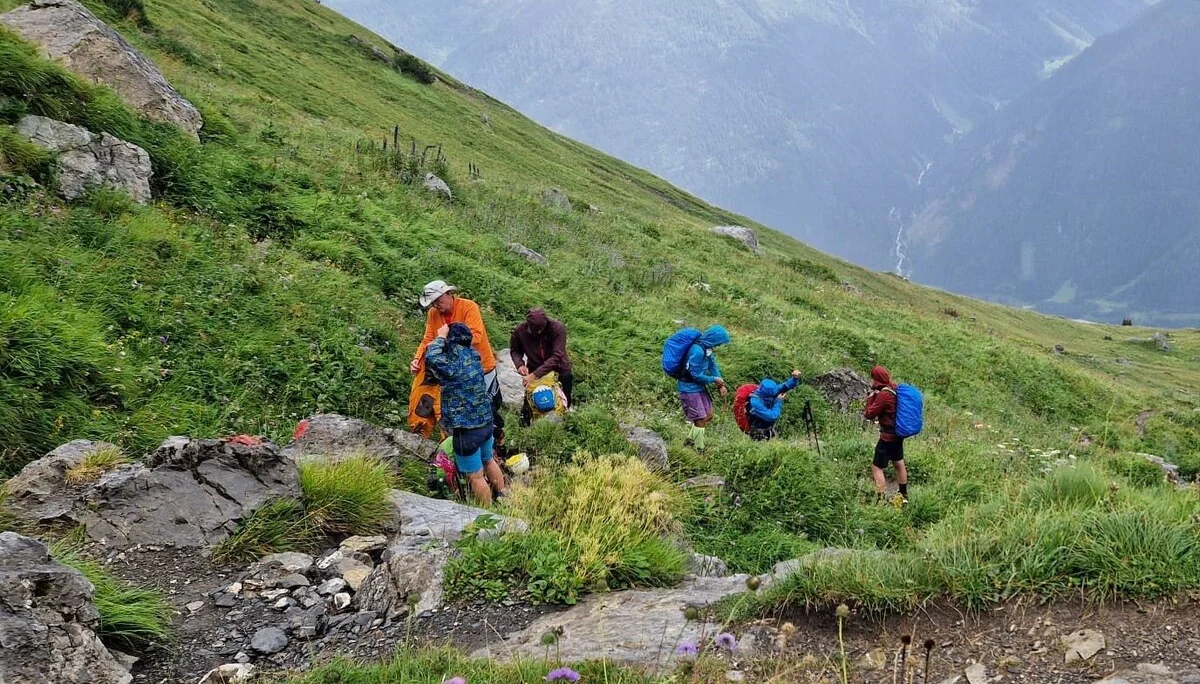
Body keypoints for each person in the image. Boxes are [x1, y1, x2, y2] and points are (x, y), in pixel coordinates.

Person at [424, 322, 506, 505]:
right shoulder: (474, 355)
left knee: (475, 476)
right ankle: (503, 496)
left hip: (466, 429)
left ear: (450, 342)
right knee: (489, 460)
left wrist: (440, 337)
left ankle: (488, 512)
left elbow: (431, 356)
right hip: (485, 422)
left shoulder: (452, 363)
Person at [411, 280, 504, 442]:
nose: (436, 306)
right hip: (455, 375)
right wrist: (418, 359)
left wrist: (443, 339)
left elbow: (475, 336)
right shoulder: (433, 314)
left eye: (438, 301)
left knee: (488, 409)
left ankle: (495, 448)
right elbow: (428, 339)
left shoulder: (469, 307)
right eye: (432, 303)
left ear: (449, 294)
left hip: (481, 368)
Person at [510, 308, 573, 426]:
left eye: (540, 330)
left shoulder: (557, 329)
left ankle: (565, 420)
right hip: (535, 366)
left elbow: (557, 355)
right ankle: (525, 424)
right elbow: (515, 350)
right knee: (530, 398)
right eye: (533, 331)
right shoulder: (521, 331)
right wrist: (520, 365)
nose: (537, 333)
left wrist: (535, 375)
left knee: (564, 395)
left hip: (559, 368)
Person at [678, 325, 730, 451]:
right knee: (700, 419)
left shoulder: (707, 348)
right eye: (719, 342)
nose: (718, 346)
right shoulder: (697, 351)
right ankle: (699, 449)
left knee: (708, 415)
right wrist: (713, 379)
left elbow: (713, 365)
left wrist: (720, 384)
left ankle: (689, 442)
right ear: (714, 339)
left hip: (699, 387)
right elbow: (695, 375)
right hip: (689, 389)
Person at [864, 365, 908, 503]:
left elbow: (869, 414)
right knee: (898, 463)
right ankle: (903, 494)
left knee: (877, 467)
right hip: (898, 434)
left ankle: (880, 499)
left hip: (887, 437)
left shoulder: (884, 395)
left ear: (876, 379)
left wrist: (870, 399)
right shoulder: (894, 388)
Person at [747, 370, 803, 441]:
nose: (776, 392)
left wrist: (795, 379)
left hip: (768, 427)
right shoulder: (755, 402)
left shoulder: (768, 391)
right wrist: (778, 401)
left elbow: (785, 386)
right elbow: (772, 416)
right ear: (768, 394)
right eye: (773, 393)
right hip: (757, 430)